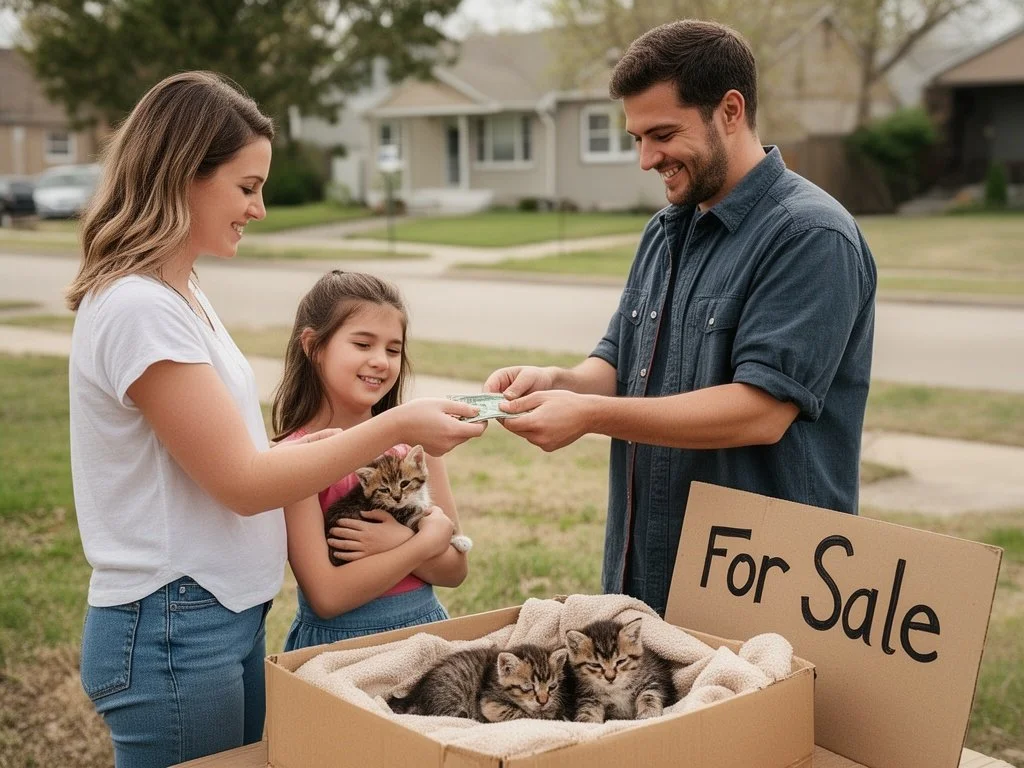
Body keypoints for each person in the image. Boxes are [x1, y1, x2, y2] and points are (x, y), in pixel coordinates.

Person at [68, 71, 485, 768]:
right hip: (173, 627)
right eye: (246, 186)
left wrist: (331, 443)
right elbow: (241, 482)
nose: (259, 208)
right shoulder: (139, 308)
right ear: (182, 175)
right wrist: (389, 426)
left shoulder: (181, 292)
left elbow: (224, 455)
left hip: (210, 622)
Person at [485, 20, 877, 617]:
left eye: (662, 134)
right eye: (637, 138)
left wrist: (589, 415)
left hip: (761, 588)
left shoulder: (810, 235)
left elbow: (762, 410)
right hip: (646, 572)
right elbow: (618, 365)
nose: (646, 159)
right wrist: (558, 382)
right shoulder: (667, 228)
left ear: (730, 110)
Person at [273, 270, 470, 650]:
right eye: (363, 345)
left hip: (425, 635)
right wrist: (415, 544)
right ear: (313, 346)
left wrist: (398, 538)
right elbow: (327, 598)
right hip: (341, 648)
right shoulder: (296, 458)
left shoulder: (416, 446)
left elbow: (455, 568)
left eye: (393, 350)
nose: (381, 361)